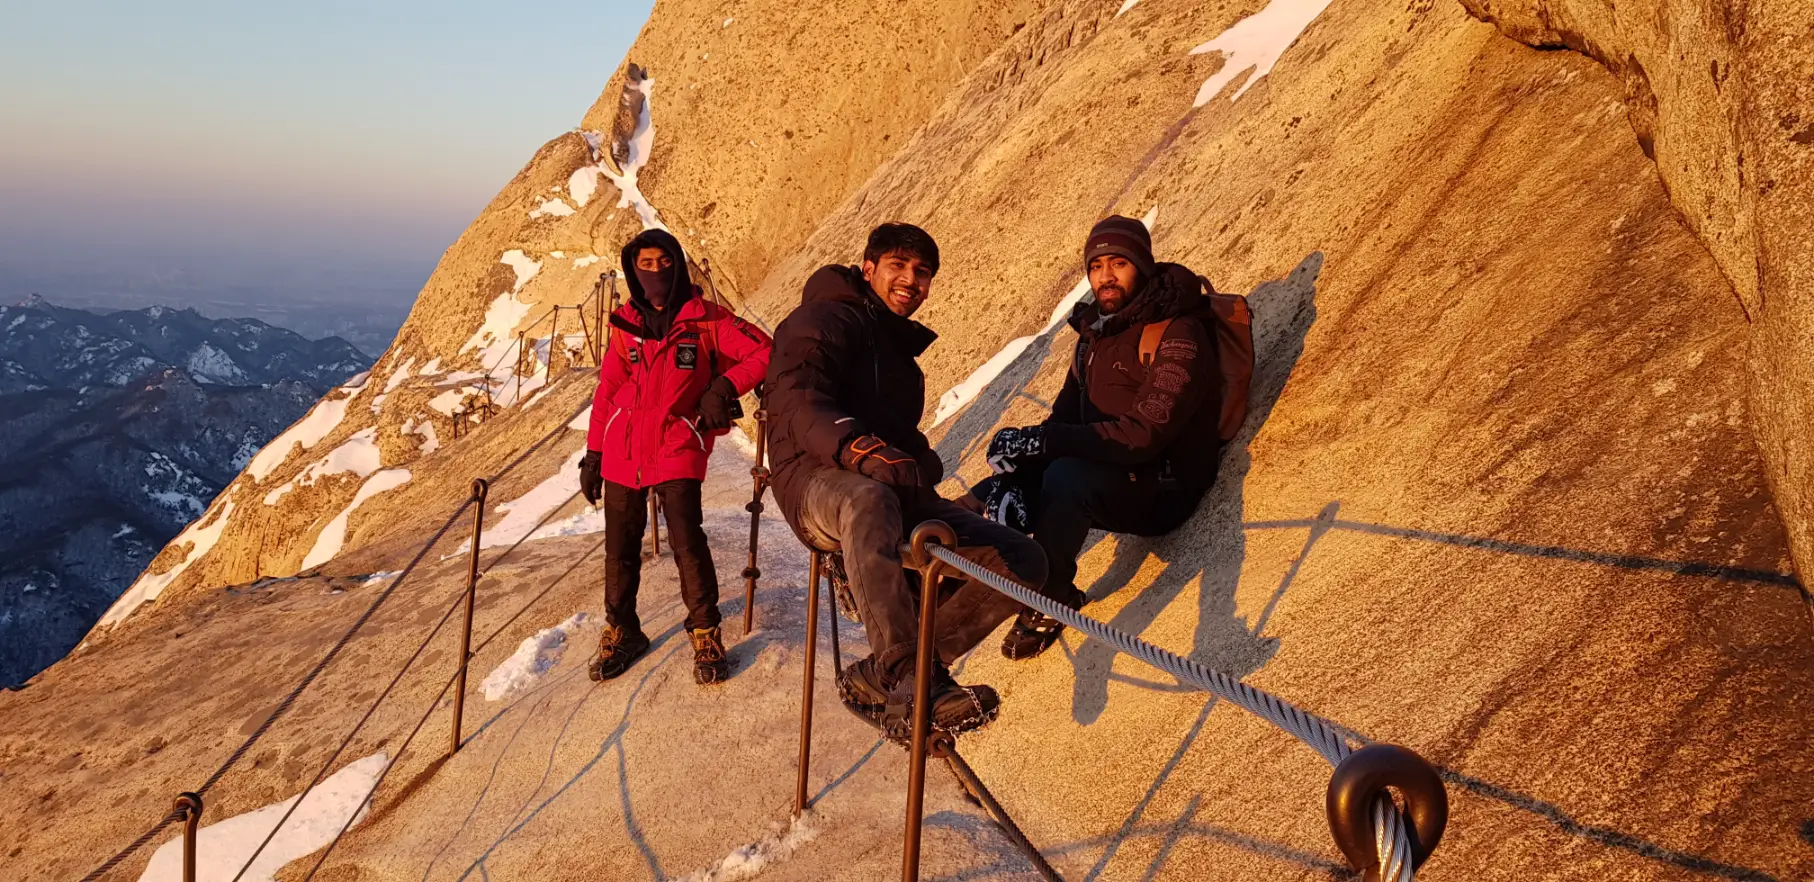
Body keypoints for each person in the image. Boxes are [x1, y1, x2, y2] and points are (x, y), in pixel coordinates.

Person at [765, 222, 1051, 739]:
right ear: (869, 268)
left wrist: (919, 462)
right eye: (898, 266)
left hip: (886, 484)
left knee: (1023, 562)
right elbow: (794, 397)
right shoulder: (821, 319)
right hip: (813, 477)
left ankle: (898, 675)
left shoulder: (900, 358)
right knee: (868, 500)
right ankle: (907, 675)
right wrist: (856, 446)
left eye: (922, 273)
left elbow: (899, 434)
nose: (910, 280)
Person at [973, 215, 1224, 660]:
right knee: (992, 491)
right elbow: (1065, 418)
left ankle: (1049, 600)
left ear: (1142, 266)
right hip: (1111, 471)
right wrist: (1021, 457)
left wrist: (1046, 446)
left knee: (1067, 479)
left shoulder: (1179, 333)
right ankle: (919, 571)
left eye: (1118, 264)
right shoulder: (1094, 337)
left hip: (1163, 487)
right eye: (1096, 266)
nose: (1105, 276)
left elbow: (1143, 435)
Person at [579, 228, 773, 685]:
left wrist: (723, 387)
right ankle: (623, 631)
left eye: (663, 263)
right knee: (620, 549)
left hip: (677, 442)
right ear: (632, 269)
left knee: (688, 541)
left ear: (678, 265)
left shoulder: (706, 320)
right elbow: (608, 389)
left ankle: (705, 632)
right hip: (623, 448)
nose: (655, 273)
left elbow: (764, 351)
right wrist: (593, 453)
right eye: (644, 265)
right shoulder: (624, 323)